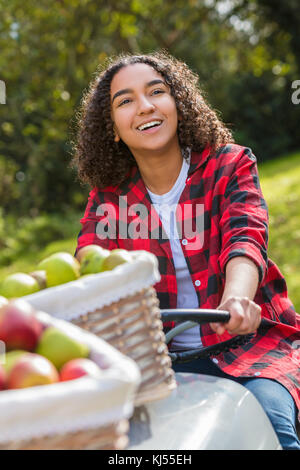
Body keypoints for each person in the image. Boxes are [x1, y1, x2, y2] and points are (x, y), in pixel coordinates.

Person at [71, 52, 300, 450]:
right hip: (158, 369)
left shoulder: (230, 164)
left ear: (178, 102)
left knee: (272, 427)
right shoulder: (108, 200)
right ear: (112, 128)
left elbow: (246, 238)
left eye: (156, 92)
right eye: (125, 100)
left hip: (251, 348)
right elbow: (86, 272)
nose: (145, 106)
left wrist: (236, 300)